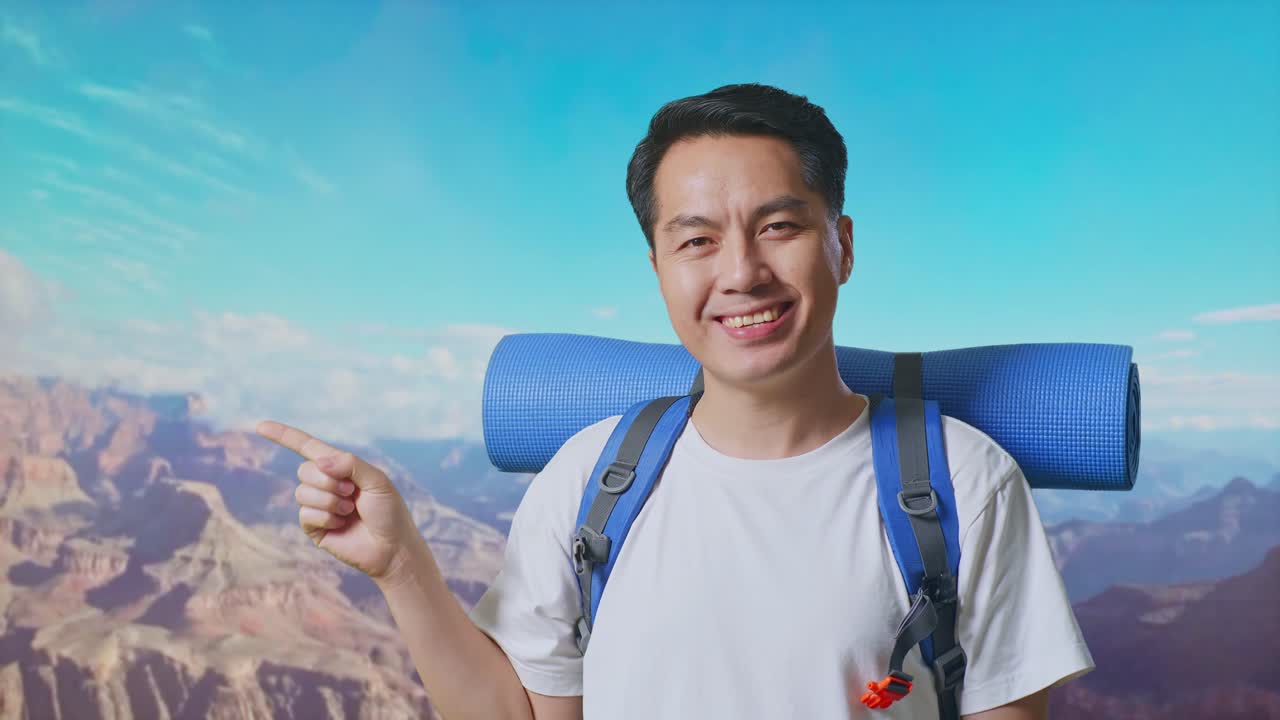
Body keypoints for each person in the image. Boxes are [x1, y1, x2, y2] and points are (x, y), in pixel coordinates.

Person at [257, 83, 1093, 720]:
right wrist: (402, 567)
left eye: (779, 226)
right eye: (696, 240)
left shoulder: (963, 484)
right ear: (658, 268)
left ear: (841, 244)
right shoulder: (592, 479)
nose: (740, 273)